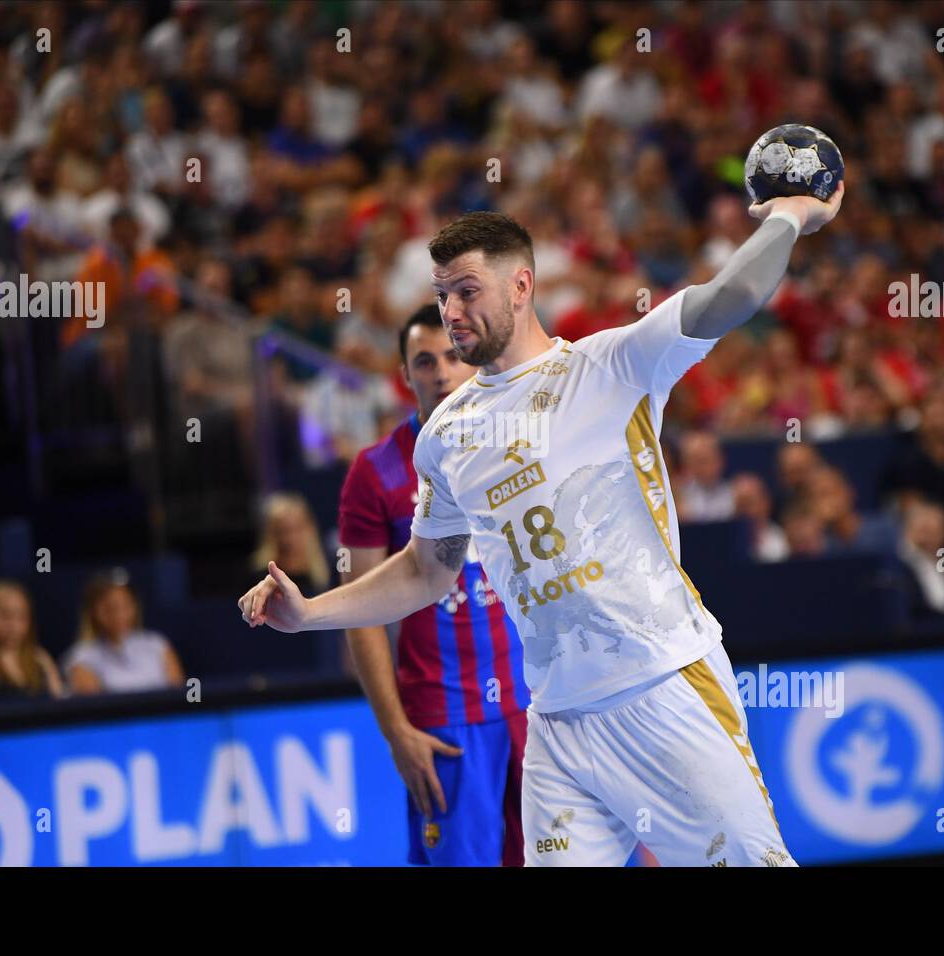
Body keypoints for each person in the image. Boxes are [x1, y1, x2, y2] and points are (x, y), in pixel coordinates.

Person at [242, 187, 844, 867]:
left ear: (521, 284)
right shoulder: (444, 434)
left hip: (663, 688)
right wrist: (309, 613)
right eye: (442, 296)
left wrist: (791, 216)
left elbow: (727, 298)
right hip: (556, 722)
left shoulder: (612, 365)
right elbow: (426, 568)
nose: (452, 312)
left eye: (467, 291)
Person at [338, 304, 530, 867]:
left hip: (538, 704)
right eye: (425, 361)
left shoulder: (518, 444)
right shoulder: (374, 472)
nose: (442, 372)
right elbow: (361, 611)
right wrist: (397, 732)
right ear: (404, 374)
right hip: (444, 718)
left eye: (451, 356)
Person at [63, 574, 185, 694]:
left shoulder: (157, 644)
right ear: (92, 612)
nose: (119, 615)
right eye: (109, 608)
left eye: (125, 605)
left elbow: (177, 694)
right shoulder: (81, 657)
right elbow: (95, 706)